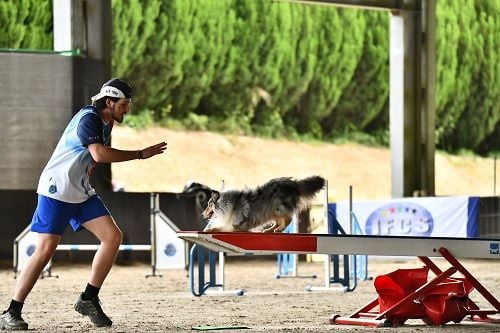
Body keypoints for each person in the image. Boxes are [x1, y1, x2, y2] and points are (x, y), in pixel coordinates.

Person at [0, 78, 167, 330]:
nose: (127, 109)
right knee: (45, 250)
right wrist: (140, 154)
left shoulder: (107, 122)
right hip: (56, 189)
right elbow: (99, 153)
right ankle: (11, 311)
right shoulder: (89, 117)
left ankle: (88, 298)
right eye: (123, 104)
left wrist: (86, 174)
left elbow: (92, 158)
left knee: (112, 237)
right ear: (109, 101)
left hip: (80, 191)